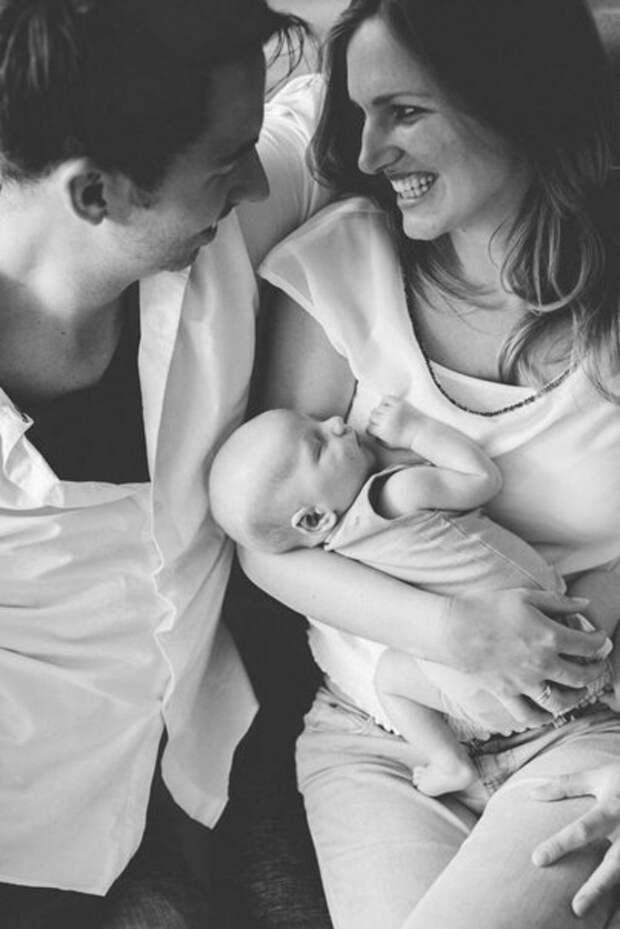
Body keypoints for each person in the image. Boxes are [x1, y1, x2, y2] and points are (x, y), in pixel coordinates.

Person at [238, 0, 620, 925]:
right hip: (381, 735)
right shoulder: (339, 267)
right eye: (360, 115)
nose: (370, 155)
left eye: (405, 112)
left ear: (521, 102)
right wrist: (456, 632)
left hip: (581, 724)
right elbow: (270, 544)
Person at [0, 1, 334, 926]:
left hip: (209, 762)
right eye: (226, 164)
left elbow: (347, 97)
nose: (253, 185)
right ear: (95, 194)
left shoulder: (226, 225)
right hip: (24, 829)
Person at [210, 397, 617, 796]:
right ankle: (610, 678)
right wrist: (418, 432)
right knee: (608, 581)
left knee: (389, 679)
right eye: (318, 444)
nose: (334, 421)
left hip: (475, 697)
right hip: (562, 631)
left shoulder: (338, 555)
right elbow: (482, 478)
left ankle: (448, 761)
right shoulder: (396, 494)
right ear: (314, 518)